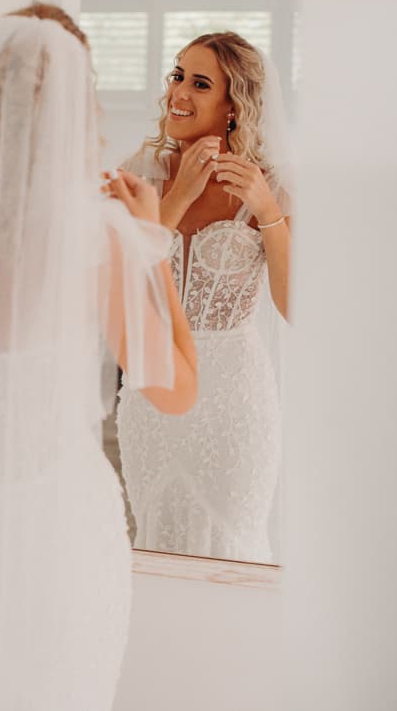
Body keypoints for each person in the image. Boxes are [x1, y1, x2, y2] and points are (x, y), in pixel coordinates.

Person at [0, 4, 197, 710]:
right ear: (73, 113)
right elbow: (178, 390)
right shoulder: (93, 239)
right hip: (55, 533)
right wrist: (150, 244)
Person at [115, 31, 292, 563]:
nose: (179, 93)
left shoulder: (272, 184)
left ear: (234, 105)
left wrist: (268, 212)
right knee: (156, 541)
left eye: (199, 83)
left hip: (234, 400)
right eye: (177, 76)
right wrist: (177, 198)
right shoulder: (137, 176)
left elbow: (295, 307)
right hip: (154, 392)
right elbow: (119, 286)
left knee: (232, 544)